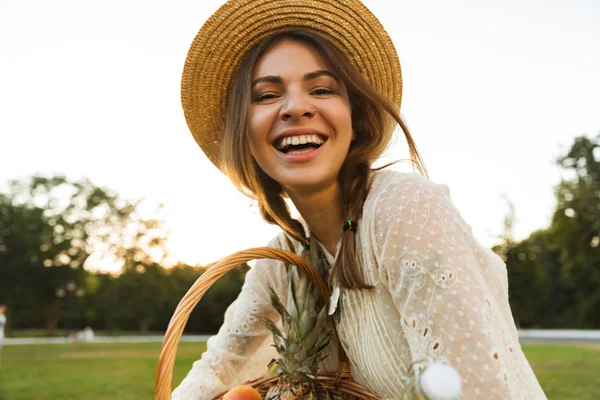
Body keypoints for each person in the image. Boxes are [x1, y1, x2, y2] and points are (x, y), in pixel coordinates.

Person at [172, 0, 547, 399]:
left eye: (321, 89)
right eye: (265, 95)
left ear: (355, 120)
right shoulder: (284, 261)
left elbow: (473, 391)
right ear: (243, 133)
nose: (296, 107)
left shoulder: (405, 210)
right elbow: (216, 369)